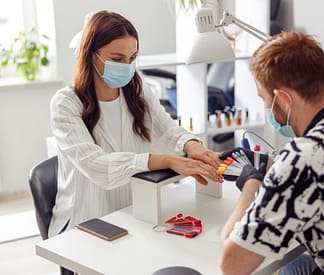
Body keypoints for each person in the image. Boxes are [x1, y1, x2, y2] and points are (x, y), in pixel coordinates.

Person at [49, 10, 222, 238]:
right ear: (91, 55)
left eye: (132, 59)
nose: (127, 66)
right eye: (118, 59)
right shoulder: (66, 103)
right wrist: (168, 160)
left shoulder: (138, 93)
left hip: (134, 210)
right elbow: (98, 166)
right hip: (86, 220)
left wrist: (192, 145)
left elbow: (166, 128)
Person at [219, 31, 324, 274]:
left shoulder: (301, 158)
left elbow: (231, 264)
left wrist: (252, 182)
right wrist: (269, 164)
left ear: (283, 99)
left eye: (264, 98)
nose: (266, 107)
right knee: (294, 264)